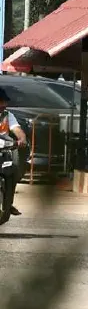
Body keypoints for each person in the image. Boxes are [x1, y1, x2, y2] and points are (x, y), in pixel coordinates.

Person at [0, 88, 27, 216]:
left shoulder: (8, 115)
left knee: (14, 171)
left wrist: (21, 139)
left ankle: (8, 202)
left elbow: (17, 130)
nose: (3, 105)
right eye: (1, 101)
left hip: (4, 150)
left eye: (4, 102)